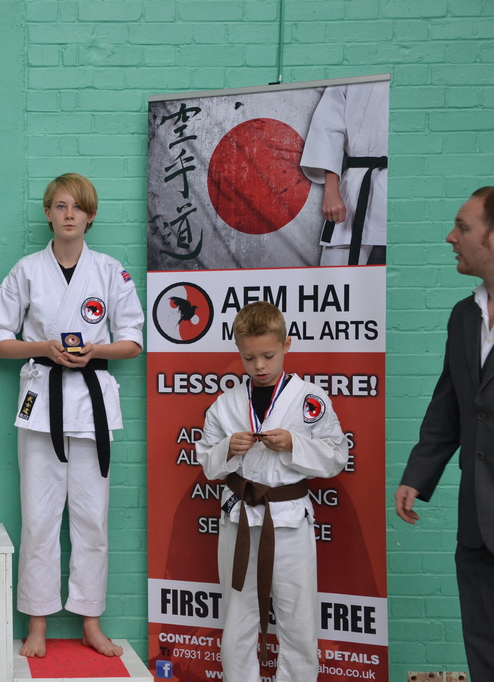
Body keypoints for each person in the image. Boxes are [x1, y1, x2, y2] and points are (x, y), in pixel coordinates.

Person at [0, 173, 143, 658]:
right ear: (48, 213)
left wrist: (95, 349)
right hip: (42, 405)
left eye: (77, 207)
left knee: (92, 519)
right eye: (60, 206)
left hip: (93, 404)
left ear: (90, 216)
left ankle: (90, 621)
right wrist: (43, 347)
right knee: (38, 518)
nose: (69, 214)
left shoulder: (110, 271)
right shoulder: (27, 270)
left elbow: (134, 341)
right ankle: (37, 623)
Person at [196, 301, 347, 680]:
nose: (259, 366)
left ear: (286, 345)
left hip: (290, 520)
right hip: (239, 520)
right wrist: (228, 448)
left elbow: (336, 457)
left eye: (268, 356)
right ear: (238, 351)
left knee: (298, 619)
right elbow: (208, 466)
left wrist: (295, 443)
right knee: (237, 618)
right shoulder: (225, 405)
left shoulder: (311, 399)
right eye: (249, 358)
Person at [396, 187, 494, 679]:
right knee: (483, 643)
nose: (450, 237)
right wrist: (418, 475)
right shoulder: (463, 316)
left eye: (463, 227)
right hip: (478, 520)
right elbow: (450, 406)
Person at [300, 81, 389, 266]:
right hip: (357, 189)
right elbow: (328, 128)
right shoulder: (350, 76)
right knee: (338, 276)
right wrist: (331, 191)